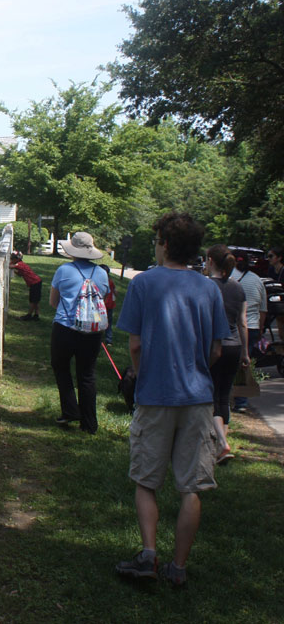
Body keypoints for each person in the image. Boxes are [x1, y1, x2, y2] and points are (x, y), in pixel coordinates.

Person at [115, 212, 229, 587]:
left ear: (164, 243)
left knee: (147, 480)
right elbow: (215, 349)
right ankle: (178, 568)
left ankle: (148, 555)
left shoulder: (145, 283)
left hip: (155, 395)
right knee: (190, 487)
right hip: (198, 398)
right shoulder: (209, 289)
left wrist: (139, 372)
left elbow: (135, 343)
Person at [49, 232, 110, 434]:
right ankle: (90, 424)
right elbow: (104, 296)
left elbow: (53, 301)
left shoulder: (64, 270)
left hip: (65, 328)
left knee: (61, 368)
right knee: (87, 375)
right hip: (92, 331)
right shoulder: (102, 273)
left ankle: (70, 410)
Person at [204, 244, 248, 463]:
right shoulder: (237, 288)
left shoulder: (204, 286)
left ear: (210, 260)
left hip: (214, 346)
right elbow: (243, 323)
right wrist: (246, 353)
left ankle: (221, 442)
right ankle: (221, 446)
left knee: (211, 396)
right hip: (235, 346)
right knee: (224, 395)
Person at [230, 253, 267, 412]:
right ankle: (241, 401)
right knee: (245, 364)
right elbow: (263, 309)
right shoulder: (257, 280)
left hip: (235, 327)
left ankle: (234, 399)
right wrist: (261, 328)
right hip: (252, 327)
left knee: (231, 363)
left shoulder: (230, 279)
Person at [10, 251, 42, 320]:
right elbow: (20, 274)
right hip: (36, 282)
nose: (11, 260)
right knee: (35, 300)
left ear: (17, 259)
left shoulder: (19, 264)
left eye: (12, 258)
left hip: (35, 283)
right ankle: (36, 315)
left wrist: (10, 263)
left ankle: (29, 315)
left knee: (32, 300)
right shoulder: (21, 264)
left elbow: (10, 266)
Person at [265, 246, 284, 340]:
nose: (268, 259)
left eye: (271, 256)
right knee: (281, 331)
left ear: (279, 258)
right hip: (276, 301)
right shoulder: (271, 270)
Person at [99, 264, 117, 345]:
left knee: (99, 322)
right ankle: (109, 340)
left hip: (102, 305)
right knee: (108, 323)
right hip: (110, 305)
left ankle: (98, 338)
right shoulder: (110, 281)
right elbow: (115, 292)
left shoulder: (99, 281)